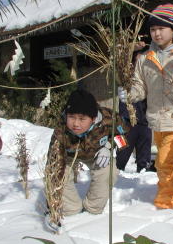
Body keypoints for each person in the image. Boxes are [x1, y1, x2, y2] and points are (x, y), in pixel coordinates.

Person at [119, 3, 173, 209]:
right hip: (156, 119)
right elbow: (140, 88)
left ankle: (167, 202)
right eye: (153, 29)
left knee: (164, 161)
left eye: (161, 28)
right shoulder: (145, 58)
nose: (156, 33)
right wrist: (129, 94)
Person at [45, 89, 128, 220]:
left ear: (93, 119)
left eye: (82, 119)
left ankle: (93, 210)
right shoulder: (61, 128)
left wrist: (109, 146)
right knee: (57, 172)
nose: (76, 124)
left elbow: (125, 136)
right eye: (71, 117)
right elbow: (53, 161)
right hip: (69, 156)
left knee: (108, 170)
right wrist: (52, 198)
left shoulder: (109, 119)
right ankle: (71, 209)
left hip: (97, 154)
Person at [116, 99, 153, 172]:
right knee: (121, 154)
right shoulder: (124, 88)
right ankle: (116, 172)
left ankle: (144, 173)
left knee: (144, 159)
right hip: (125, 121)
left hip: (145, 122)